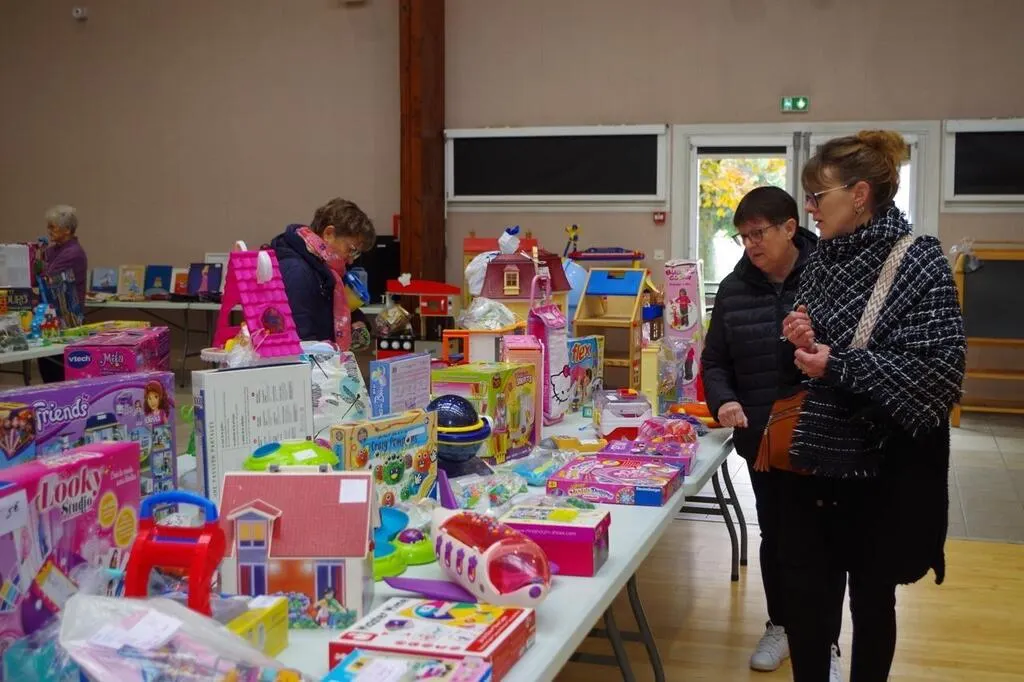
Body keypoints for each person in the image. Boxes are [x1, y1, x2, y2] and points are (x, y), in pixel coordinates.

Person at [780, 130, 965, 681]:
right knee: (809, 601)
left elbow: (940, 373)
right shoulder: (823, 259)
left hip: (880, 467)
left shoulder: (918, 259)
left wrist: (838, 364)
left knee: (872, 599)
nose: (810, 208)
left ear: (859, 194)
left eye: (819, 196)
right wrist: (800, 335)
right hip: (816, 461)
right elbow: (813, 345)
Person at [700, 187, 833, 675]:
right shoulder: (733, 289)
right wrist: (725, 400)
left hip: (822, 435)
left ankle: (822, 641)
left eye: (758, 233)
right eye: (744, 236)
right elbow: (715, 360)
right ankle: (781, 624)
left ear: (789, 228)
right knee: (775, 535)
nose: (751, 244)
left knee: (819, 540)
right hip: (761, 441)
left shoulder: (829, 276)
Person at [271, 198, 376, 351]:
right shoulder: (297, 270)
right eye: (351, 250)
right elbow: (301, 343)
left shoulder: (326, 267)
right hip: (308, 361)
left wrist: (357, 320)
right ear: (329, 233)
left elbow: (334, 307)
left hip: (322, 359)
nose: (351, 260)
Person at [39, 205, 88, 383]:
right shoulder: (54, 250)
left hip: (68, 319)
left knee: (58, 372)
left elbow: (47, 276)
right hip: (52, 315)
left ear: (67, 229)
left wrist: (39, 267)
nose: (49, 231)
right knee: (46, 364)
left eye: (53, 227)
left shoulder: (73, 253)